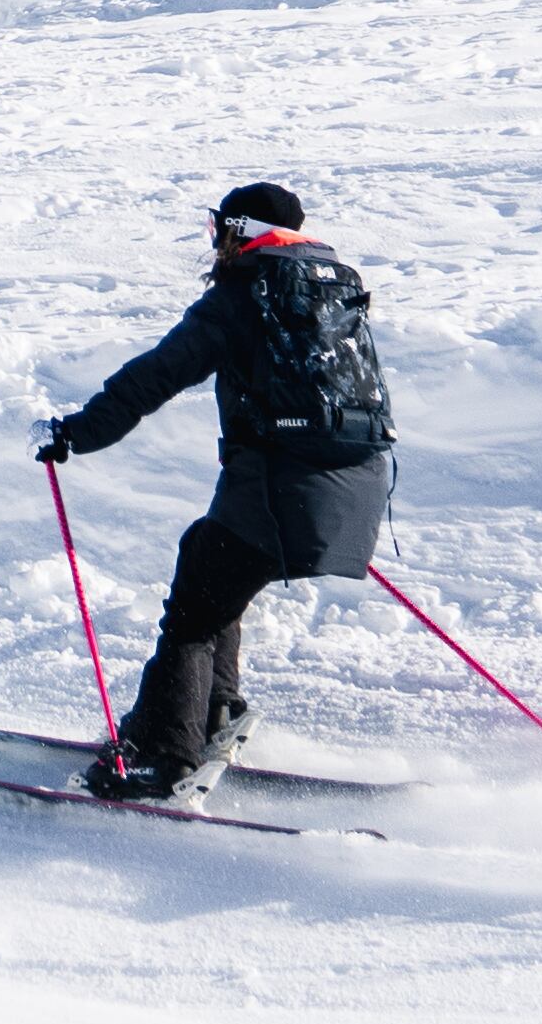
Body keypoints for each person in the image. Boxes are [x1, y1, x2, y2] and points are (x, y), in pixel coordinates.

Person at [36, 176, 396, 794]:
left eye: (217, 230)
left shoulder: (243, 296)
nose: (213, 244)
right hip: (356, 488)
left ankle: (161, 755)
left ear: (240, 234)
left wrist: (75, 434)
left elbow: (156, 375)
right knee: (209, 557)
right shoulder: (332, 290)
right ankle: (215, 712)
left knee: (193, 617)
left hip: (277, 493)